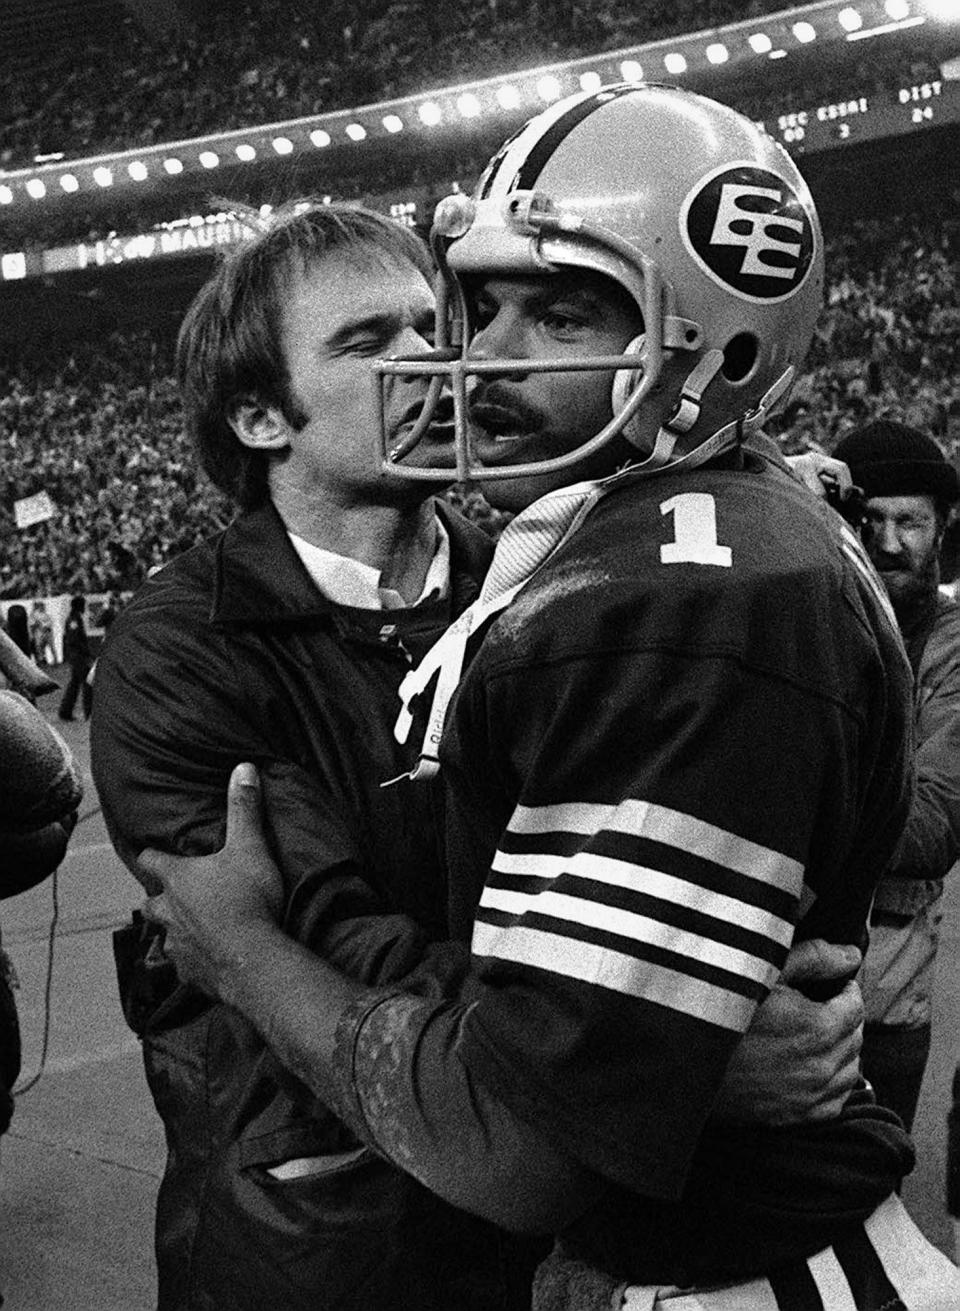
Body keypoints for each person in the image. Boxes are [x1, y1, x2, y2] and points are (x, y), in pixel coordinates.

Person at [140, 87, 960, 1308]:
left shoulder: (677, 596)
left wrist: (245, 951)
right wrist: (668, 1052)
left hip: (730, 1269)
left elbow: (517, 1146)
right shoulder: (582, 545)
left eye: (565, 309)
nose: (474, 354)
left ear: (710, 352)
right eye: (487, 303)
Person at [830, 420, 960, 1135]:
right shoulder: (814, 614)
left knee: (871, 1219)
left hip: (885, 1007)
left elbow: (935, 824)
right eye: (871, 518)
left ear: (943, 528)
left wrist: (788, 807)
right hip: (776, 999)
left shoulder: (952, 647)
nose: (888, 541)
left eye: (910, 520)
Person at [57, 595, 92, 722]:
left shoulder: (74, 618)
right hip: (78, 657)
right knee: (87, 683)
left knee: (75, 684)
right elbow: (74, 639)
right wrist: (86, 652)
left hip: (76, 656)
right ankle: (89, 712)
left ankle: (65, 711)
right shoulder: (74, 620)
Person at [28, 601, 56, 668]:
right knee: (39, 648)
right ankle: (42, 661)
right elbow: (31, 624)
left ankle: (55, 660)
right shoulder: (33, 615)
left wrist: (44, 625)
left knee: (51, 647)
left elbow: (50, 622)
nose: (42, 607)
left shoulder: (46, 614)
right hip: (38, 633)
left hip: (47, 632)